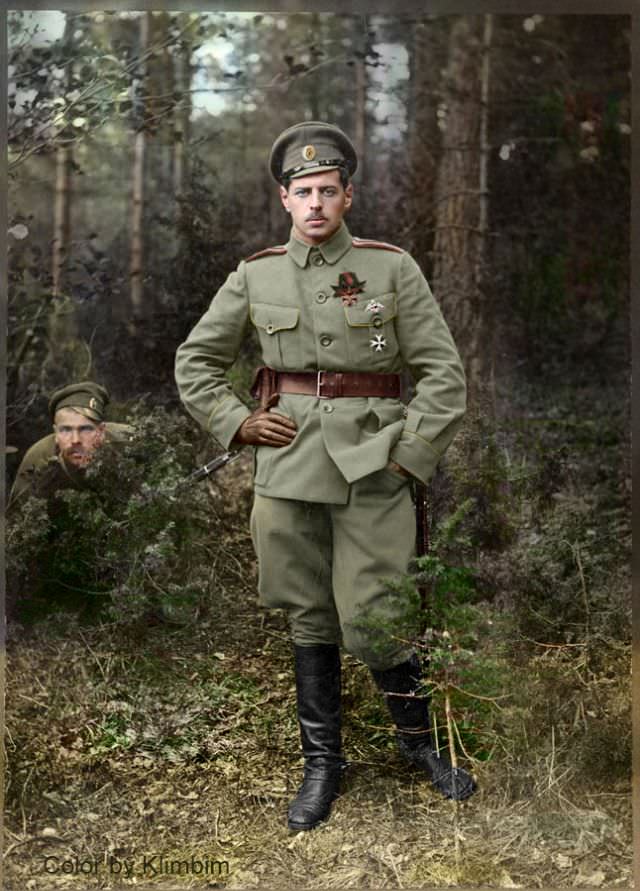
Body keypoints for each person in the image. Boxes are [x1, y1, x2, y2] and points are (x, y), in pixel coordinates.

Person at [175, 121, 476, 831]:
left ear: (348, 195)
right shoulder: (256, 273)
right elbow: (195, 362)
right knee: (307, 612)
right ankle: (323, 764)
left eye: (327, 190)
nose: (315, 203)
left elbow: (443, 374)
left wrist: (411, 455)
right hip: (286, 468)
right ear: (285, 198)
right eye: (302, 191)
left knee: (377, 615)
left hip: (375, 463)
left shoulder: (390, 268)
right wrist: (238, 422)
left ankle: (419, 747)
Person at [8, 381, 134, 510]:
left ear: (101, 431)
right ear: (56, 434)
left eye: (85, 429)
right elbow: (17, 520)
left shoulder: (128, 442)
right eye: (66, 430)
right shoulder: (38, 460)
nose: (75, 440)